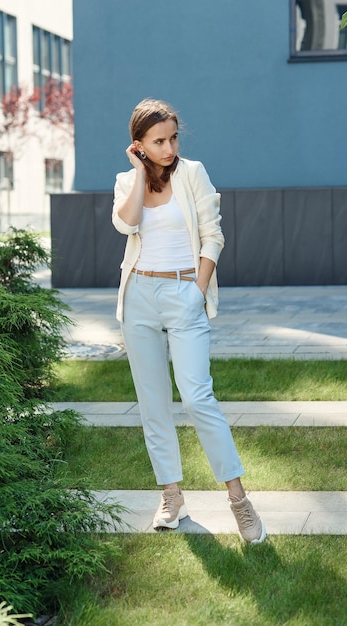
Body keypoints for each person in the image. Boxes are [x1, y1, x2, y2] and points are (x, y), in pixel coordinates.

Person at [112, 98, 266, 543]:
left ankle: (238, 499)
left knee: (198, 396)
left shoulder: (192, 173)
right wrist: (140, 174)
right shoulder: (128, 180)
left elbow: (213, 234)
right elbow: (127, 225)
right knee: (153, 402)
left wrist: (197, 291)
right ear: (138, 144)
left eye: (173, 137)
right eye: (158, 141)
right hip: (139, 293)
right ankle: (172, 495)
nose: (169, 147)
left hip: (184, 291)